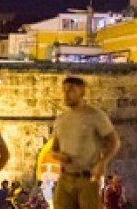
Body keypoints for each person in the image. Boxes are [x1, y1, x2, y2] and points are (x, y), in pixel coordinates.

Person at [49, 76, 121, 209]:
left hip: (87, 179)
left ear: (82, 91)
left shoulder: (95, 115)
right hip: (65, 178)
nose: (66, 94)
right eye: (64, 90)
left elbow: (115, 142)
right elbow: (53, 149)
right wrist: (58, 156)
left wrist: (102, 163)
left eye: (71, 90)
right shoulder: (61, 120)